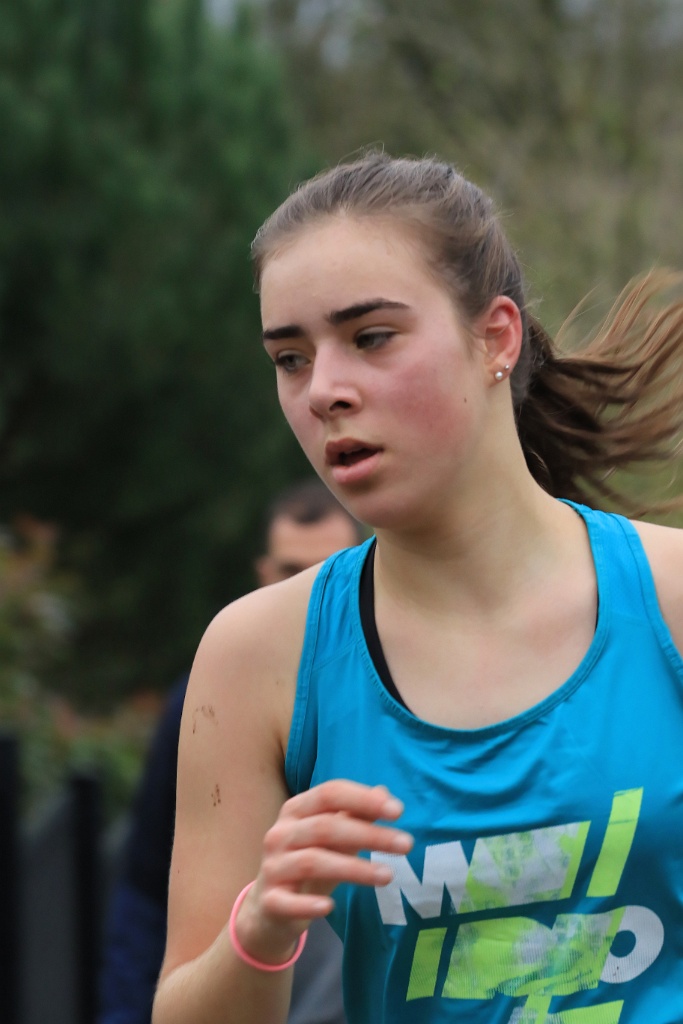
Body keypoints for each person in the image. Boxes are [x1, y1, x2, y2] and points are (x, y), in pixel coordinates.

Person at [152, 152, 683, 1024]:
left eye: (370, 337)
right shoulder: (257, 655)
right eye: (289, 357)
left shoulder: (668, 600)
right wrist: (262, 925)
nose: (324, 391)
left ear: (496, 338)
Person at [99, 480, 362, 1024]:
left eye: (329, 569)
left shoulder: (402, 682)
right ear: (263, 571)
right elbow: (146, 886)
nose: (308, 587)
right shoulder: (208, 699)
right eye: (291, 570)